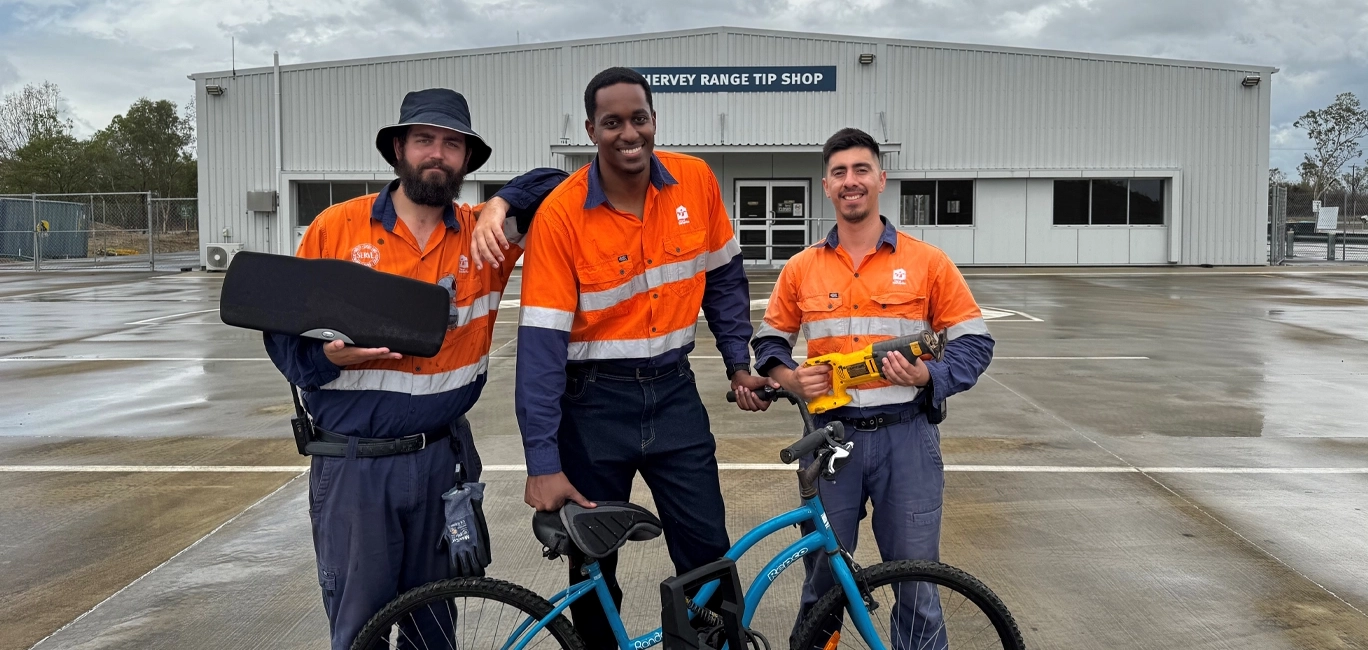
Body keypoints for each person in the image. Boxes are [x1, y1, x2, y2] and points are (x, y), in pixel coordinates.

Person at [264, 88, 567, 650]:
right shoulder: (337, 228)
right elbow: (282, 340)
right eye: (424, 139)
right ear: (398, 148)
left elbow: (564, 182)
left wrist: (502, 204)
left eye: (453, 144)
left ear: (467, 161)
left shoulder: (487, 236)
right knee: (360, 629)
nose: (437, 153)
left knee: (435, 630)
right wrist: (324, 358)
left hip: (440, 464)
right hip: (355, 467)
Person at [514, 67, 774, 648]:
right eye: (612, 122)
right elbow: (539, 349)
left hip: (675, 395)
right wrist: (542, 461)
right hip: (592, 408)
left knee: (708, 554)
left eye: (639, 118)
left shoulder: (695, 181)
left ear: (654, 120)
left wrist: (737, 361)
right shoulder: (560, 215)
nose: (628, 133)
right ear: (591, 130)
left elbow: (725, 279)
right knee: (592, 570)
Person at [743, 128, 995, 648]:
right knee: (823, 585)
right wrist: (790, 378)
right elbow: (769, 340)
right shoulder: (801, 267)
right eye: (839, 173)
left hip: (908, 440)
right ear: (826, 186)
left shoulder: (929, 262)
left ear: (881, 179)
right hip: (830, 444)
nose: (850, 181)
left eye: (861, 170)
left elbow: (976, 343)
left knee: (917, 584)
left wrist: (930, 377)